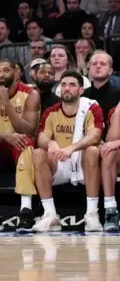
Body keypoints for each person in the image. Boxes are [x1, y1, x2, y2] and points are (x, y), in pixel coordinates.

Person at [0, 59, 41, 232]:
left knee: (25, 143)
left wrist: (6, 104)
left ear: (16, 72)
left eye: (6, 70)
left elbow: (29, 130)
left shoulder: (31, 94)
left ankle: (26, 210)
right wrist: (6, 136)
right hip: (2, 146)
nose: (1, 75)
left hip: (21, 146)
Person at [32, 71, 103, 232]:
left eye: (72, 85)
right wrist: (51, 143)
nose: (67, 88)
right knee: (38, 153)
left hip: (84, 162)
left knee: (92, 150)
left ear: (81, 90)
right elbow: (41, 137)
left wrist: (72, 147)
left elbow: (95, 136)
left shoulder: (91, 107)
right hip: (60, 162)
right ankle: (50, 215)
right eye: (63, 84)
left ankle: (92, 214)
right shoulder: (50, 112)